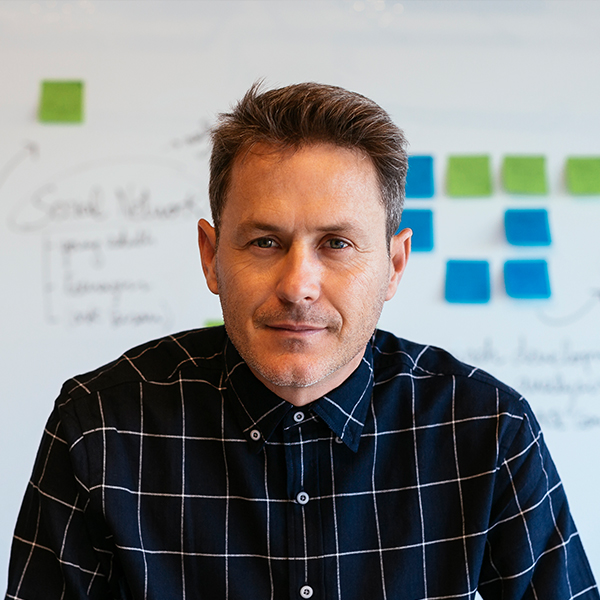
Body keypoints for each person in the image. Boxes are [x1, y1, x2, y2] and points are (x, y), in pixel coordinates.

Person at [5, 82, 598, 600]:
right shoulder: (99, 426)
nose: (297, 286)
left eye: (337, 244)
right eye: (265, 242)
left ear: (394, 265)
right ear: (211, 257)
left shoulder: (490, 429)